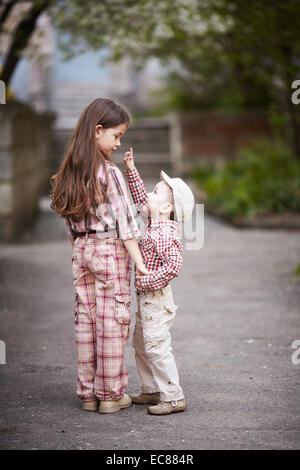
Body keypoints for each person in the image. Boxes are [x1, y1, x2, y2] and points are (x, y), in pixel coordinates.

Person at [50, 98, 149, 414]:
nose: (119, 144)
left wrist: (82, 248)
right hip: (110, 252)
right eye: (116, 136)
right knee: (111, 322)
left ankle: (89, 394)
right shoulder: (109, 173)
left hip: (82, 250)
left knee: (86, 321)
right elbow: (127, 225)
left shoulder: (69, 172)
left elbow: (69, 223)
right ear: (97, 131)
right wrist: (140, 262)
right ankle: (110, 395)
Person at [123, 148, 195, 415]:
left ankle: (173, 397)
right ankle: (151, 389)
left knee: (156, 346)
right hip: (148, 299)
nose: (149, 196)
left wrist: (147, 281)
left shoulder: (164, 232)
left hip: (156, 298)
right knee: (141, 344)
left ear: (166, 207)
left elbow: (174, 267)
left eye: (156, 193)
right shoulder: (155, 221)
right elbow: (142, 197)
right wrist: (131, 169)